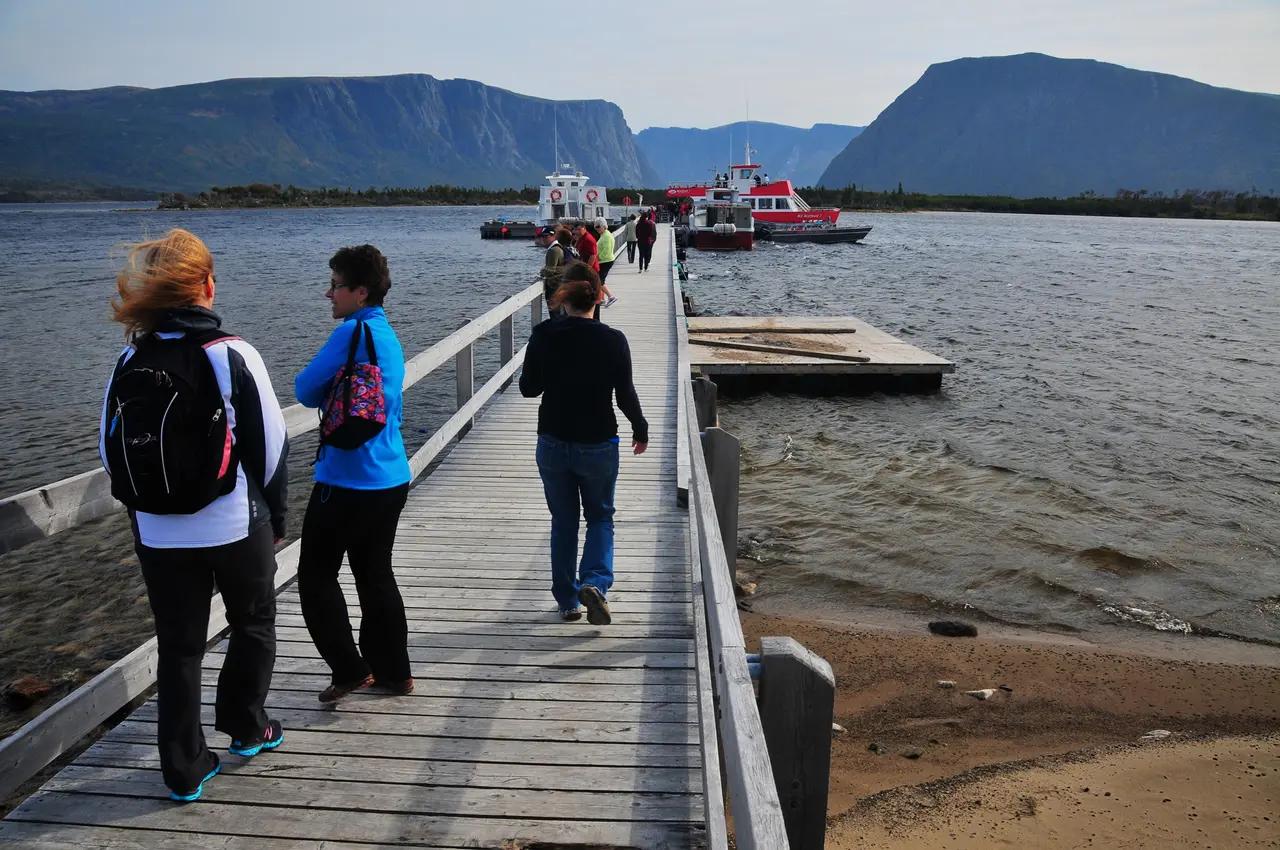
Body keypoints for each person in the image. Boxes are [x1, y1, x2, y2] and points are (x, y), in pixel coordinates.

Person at [99, 228, 288, 803]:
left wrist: (146, 514)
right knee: (251, 621)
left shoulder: (131, 357)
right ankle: (247, 728)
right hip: (231, 521)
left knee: (178, 645)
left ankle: (183, 768)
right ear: (207, 284)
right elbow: (272, 447)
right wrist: (275, 519)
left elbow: (109, 449)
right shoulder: (231, 353)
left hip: (157, 528)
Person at [295, 245, 413, 704]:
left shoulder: (350, 333)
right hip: (390, 475)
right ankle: (394, 672)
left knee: (316, 576)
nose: (329, 294)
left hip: (345, 480)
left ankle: (349, 667)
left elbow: (305, 390)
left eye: (336, 286)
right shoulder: (387, 334)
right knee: (375, 573)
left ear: (359, 292)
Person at [519, 262, 648, 625]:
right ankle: (594, 583)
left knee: (563, 521)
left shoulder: (544, 334)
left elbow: (529, 389)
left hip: (554, 441)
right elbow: (625, 394)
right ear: (598, 296)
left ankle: (567, 601)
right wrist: (640, 428)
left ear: (563, 295)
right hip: (598, 442)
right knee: (600, 517)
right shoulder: (613, 339)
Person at [594, 217, 619, 308]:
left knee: (599, 281)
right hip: (604, 261)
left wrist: (597, 258)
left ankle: (611, 297)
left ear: (604, 226)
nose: (597, 228)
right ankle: (602, 299)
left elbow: (606, 251)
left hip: (605, 261)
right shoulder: (604, 235)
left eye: (598, 226)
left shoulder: (607, 236)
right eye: (595, 227)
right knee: (600, 280)